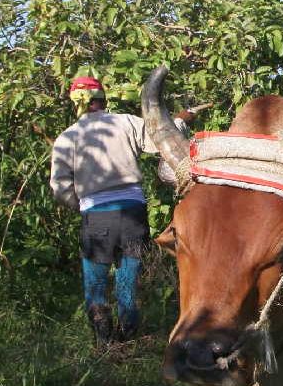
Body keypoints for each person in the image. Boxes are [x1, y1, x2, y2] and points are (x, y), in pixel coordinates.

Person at [50, 74, 193, 345]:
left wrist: (79, 204)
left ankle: (105, 344)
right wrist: (181, 121)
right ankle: (128, 339)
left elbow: (59, 186)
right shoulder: (125, 122)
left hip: (95, 216)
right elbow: (159, 139)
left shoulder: (67, 138)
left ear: (76, 103)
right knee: (127, 279)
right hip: (132, 213)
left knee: (96, 283)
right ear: (103, 99)